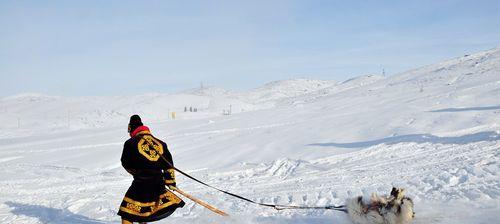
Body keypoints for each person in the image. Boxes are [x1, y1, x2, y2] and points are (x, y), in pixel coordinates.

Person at [118, 115, 184, 224]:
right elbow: (169, 165)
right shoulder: (161, 143)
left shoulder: (130, 143)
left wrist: (138, 173)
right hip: (158, 185)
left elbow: (126, 163)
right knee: (144, 214)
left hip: (141, 185)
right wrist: (170, 182)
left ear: (131, 128)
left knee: (127, 213)